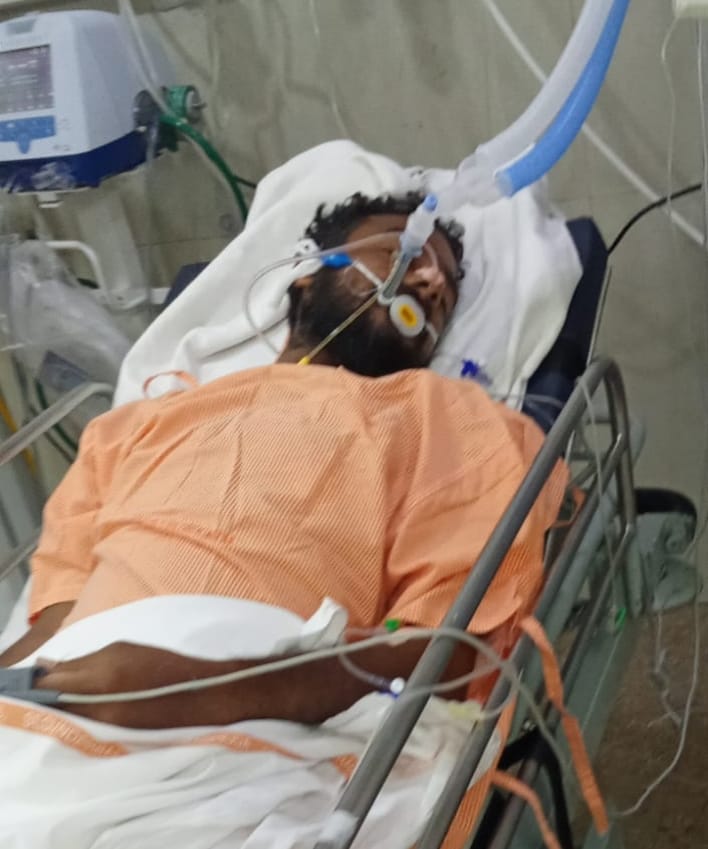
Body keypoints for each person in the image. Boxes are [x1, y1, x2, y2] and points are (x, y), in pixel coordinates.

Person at [0, 192, 566, 729]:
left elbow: (444, 653)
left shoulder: (449, 419)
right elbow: (55, 631)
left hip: (255, 721)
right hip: (55, 708)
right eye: (404, 249)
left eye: (447, 292)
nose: (432, 280)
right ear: (306, 277)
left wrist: (210, 689)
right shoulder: (131, 427)